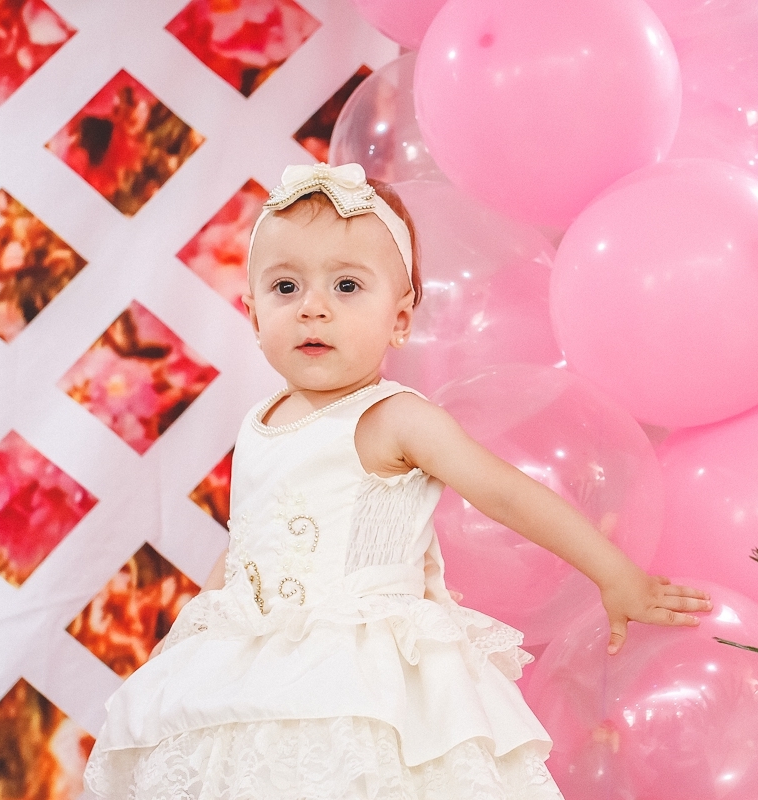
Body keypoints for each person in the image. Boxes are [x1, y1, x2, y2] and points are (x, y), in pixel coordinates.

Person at [82, 162, 713, 799]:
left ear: (401, 319)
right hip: (253, 672)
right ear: (252, 315)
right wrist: (190, 636)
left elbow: (506, 493)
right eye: (285, 287)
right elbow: (250, 539)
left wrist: (615, 574)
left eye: (347, 286)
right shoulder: (259, 422)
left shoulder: (394, 418)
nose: (313, 308)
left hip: (361, 680)